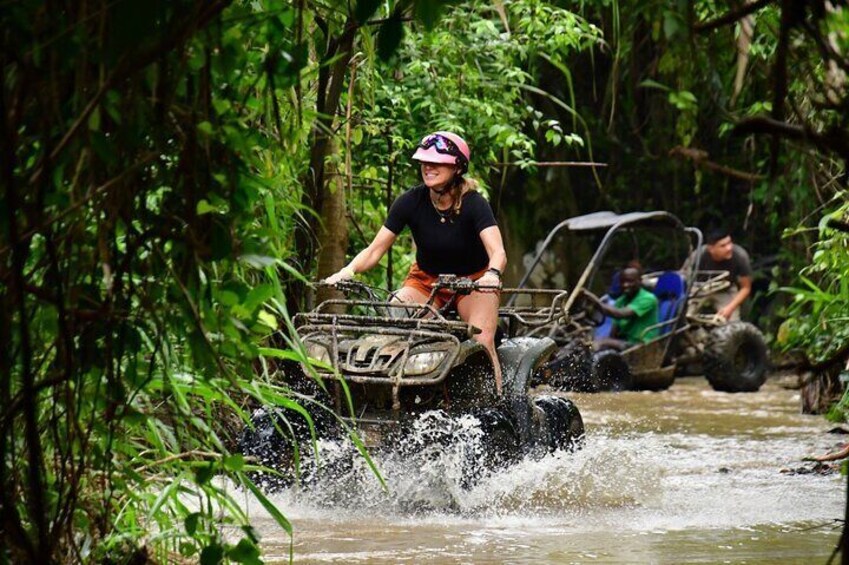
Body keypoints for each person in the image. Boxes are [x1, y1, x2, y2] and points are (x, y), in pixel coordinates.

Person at [323, 131, 507, 392]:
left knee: (481, 339)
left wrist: (492, 275)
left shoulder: (475, 204)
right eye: (424, 161)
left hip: (473, 283)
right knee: (395, 316)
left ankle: (496, 400)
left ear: (457, 167)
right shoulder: (410, 201)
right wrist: (348, 270)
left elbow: (498, 252)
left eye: (437, 162)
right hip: (426, 282)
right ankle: (396, 395)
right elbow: (375, 249)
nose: (428, 167)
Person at [589, 265, 658, 351]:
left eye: (630, 281)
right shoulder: (621, 301)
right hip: (624, 341)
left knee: (601, 343)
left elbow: (621, 314)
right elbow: (615, 328)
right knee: (587, 341)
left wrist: (596, 302)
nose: (625, 285)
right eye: (622, 282)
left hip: (641, 344)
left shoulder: (648, 298)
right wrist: (609, 343)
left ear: (639, 281)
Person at [690, 227, 753, 321]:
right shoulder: (698, 255)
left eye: (729, 243)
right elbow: (685, 279)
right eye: (723, 246)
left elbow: (746, 288)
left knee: (733, 324)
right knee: (684, 315)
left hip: (725, 290)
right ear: (711, 249)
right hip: (700, 288)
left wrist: (730, 308)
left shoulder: (740, 256)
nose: (729, 248)